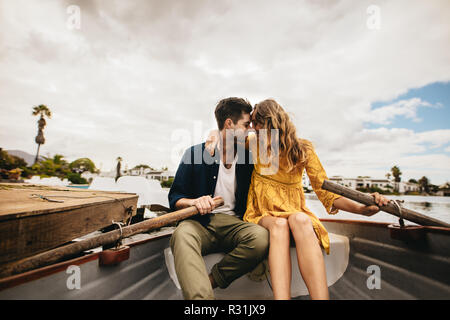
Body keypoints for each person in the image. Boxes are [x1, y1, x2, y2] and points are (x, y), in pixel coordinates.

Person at [207, 98, 390, 300]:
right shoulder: (253, 145)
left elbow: (325, 191)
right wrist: (213, 137)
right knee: (279, 225)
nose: (251, 128)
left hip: (294, 212)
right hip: (262, 213)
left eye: (254, 124)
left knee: (301, 220)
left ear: (266, 123)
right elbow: (228, 137)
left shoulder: (303, 149)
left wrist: (361, 209)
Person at [168, 97, 269, 300]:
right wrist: (194, 202)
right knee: (181, 235)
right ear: (229, 124)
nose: (250, 130)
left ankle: (211, 281)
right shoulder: (194, 153)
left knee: (260, 237)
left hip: (235, 224)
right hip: (199, 223)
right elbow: (175, 197)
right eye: (246, 124)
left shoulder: (250, 157)